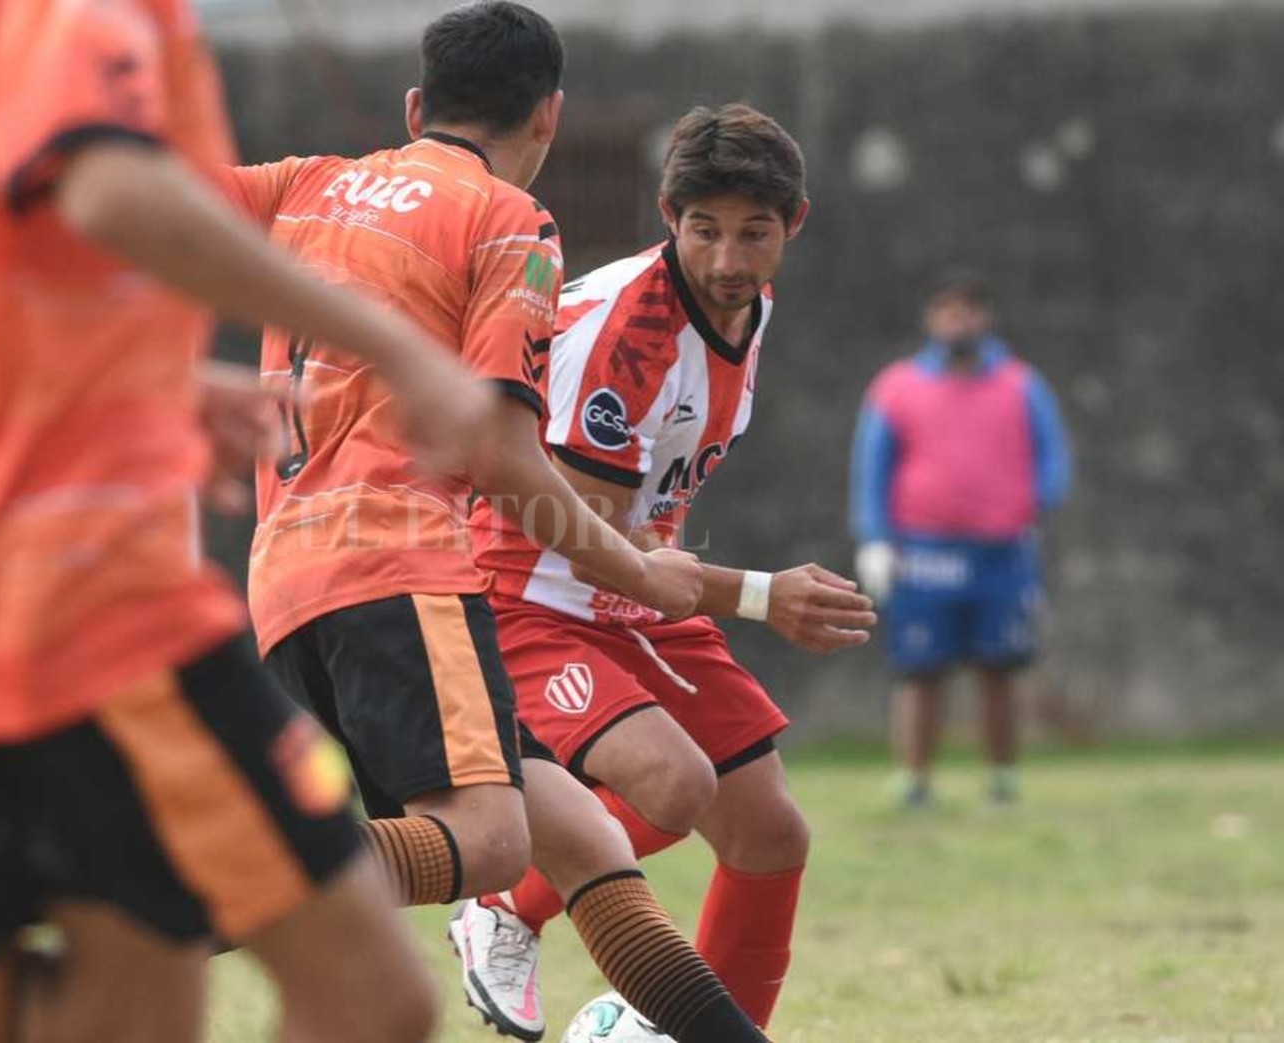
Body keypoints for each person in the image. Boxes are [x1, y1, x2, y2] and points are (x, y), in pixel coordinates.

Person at [0, 0, 514, 1039]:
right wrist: (399, 347)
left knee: (109, 1013)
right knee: (366, 997)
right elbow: (111, 189)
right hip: (93, 588)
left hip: (0, 563)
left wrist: (157, 383)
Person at [221, 8, 778, 1042]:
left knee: (576, 836)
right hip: (397, 564)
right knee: (485, 842)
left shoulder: (306, 182)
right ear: (549, 115)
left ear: (413, 108)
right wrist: (641, 570)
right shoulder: (504, 221)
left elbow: (151, 205)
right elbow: (503, 457)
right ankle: (187, 890)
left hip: (284, 577)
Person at [449, 103, 878, 1041]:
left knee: (769, 835)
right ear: (666, 216)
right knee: (672, 787)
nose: (727, 257)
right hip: (529, 589)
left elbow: (638, 528)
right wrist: (762, 595)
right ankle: (504, 906)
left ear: (792, 223)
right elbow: (576, 525)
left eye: (752, 232)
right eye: (703, 230)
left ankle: (670, 1029)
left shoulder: (745, 306)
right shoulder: (630, 337)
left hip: (634, 592)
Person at [850, 271, 1072, 807]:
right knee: (920, 669)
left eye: (969, 310)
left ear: (985, 317)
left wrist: (1028, 506)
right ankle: (914, 778)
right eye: (948, 310)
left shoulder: (1021, 384)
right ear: (932, 318)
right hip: (924, 552)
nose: (959, 321)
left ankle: (1002, 776)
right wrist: (875, 538)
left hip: (1000, 551)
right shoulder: (897, 387)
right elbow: (871, 467)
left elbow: (1053, 458)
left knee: (1001, 668)